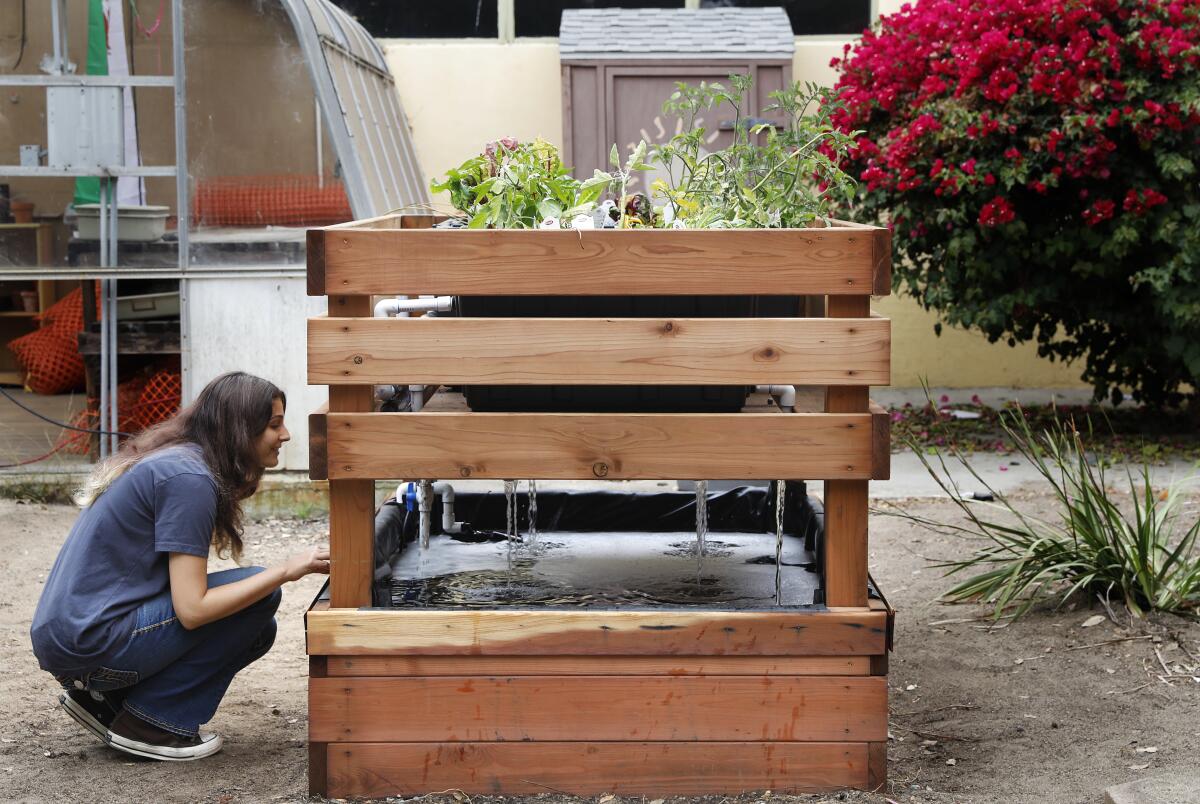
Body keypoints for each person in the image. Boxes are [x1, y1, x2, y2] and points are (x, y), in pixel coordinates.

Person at [30, 372, 330, 761]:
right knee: (261, 591)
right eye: (275, 424)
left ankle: (110, 702)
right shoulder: (190, 478)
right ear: (241, 429)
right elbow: (193, 610)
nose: (286, 434)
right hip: (92, 643)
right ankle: (152, 724)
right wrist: (288, 569)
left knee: (257, 628)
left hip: (75, 638)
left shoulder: (179, 463)